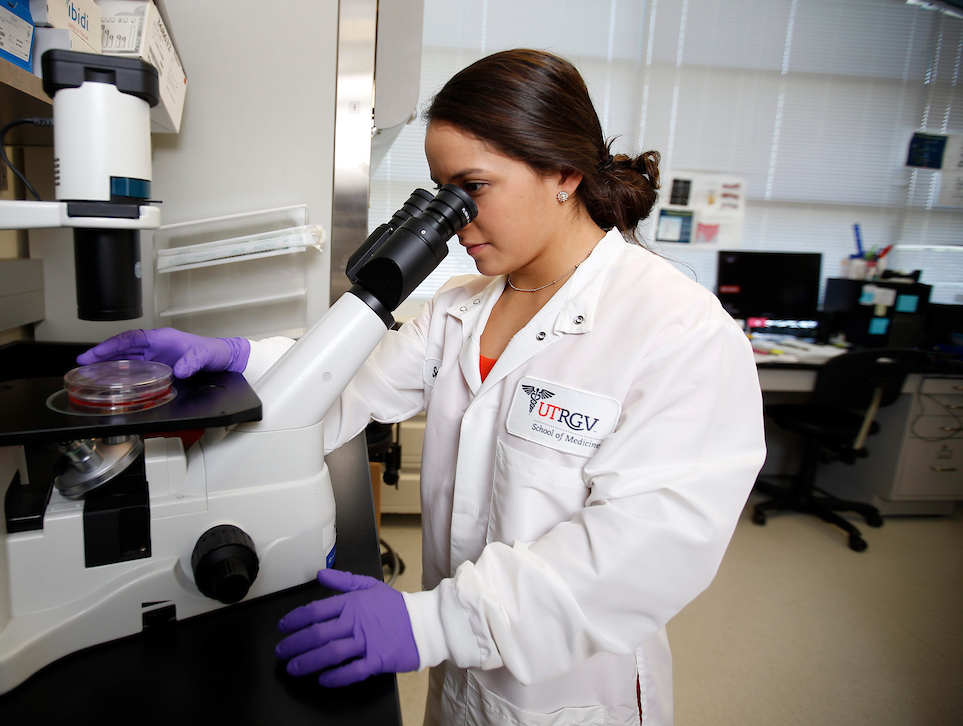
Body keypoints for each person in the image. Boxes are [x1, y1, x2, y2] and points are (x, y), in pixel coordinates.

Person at [78, 49, 766, 726]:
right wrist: (235, 360)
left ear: (562, 171)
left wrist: (435, 621)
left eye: (474, 188)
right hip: (461, 679)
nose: (456, 218)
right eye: (445, 194)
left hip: (572, 690)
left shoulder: (677, 329)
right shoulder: (462, 307)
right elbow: (346, 389)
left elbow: (643, 552)